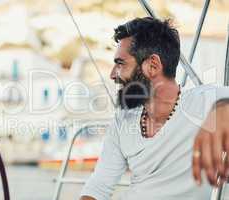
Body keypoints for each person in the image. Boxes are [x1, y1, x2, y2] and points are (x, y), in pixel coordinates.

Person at [79, 17, 229, 200]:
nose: (112, 74)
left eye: (120, 64)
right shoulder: (123, 119)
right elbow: (99, 186)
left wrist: (223, 110)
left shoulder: (205, 102)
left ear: (153, 65)